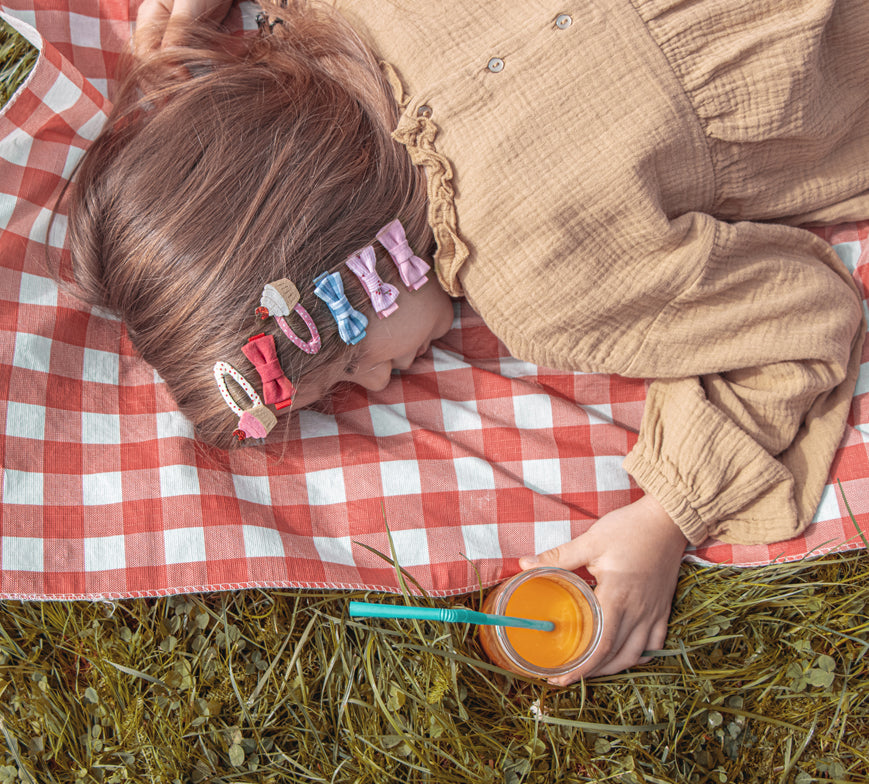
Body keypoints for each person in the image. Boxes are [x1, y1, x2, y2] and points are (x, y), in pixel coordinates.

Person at [64, 0, 869, 685]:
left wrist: (665, 516)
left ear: (364, 265)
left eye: (347, 362)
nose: (378, 386)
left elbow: (794, 317)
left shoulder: (538, 280)